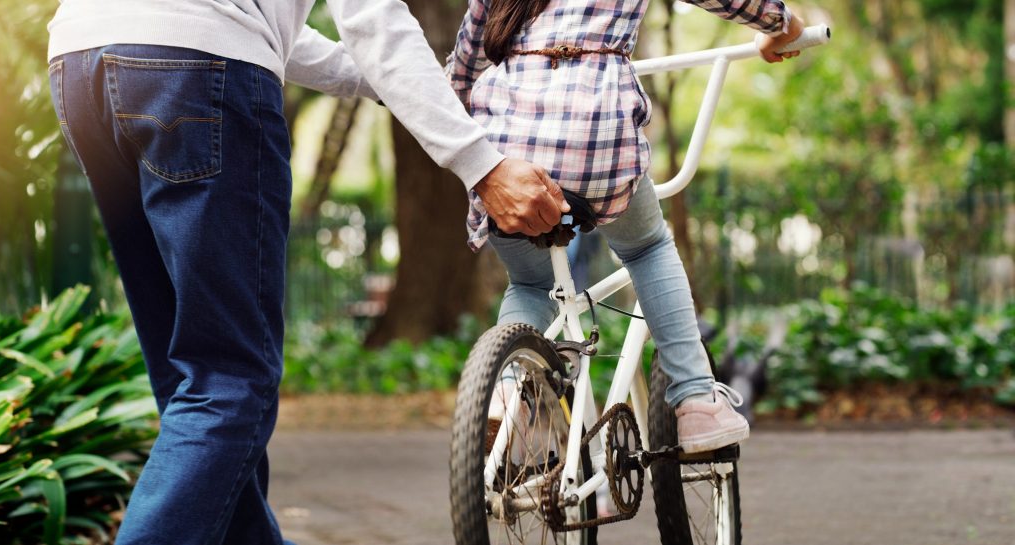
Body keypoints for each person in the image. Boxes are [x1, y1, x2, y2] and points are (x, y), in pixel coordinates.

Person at [46, 1, 571, 543]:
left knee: (191, 382)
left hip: (81, 60)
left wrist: (412, 86)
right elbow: (371, 19)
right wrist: (481, 164)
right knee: (230, 381)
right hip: (195, 73)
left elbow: (275, 33)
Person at [446, 0, 805, 453]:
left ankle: (501, 391)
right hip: (594, 140)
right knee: (647, 247)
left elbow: (462, 71)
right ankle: (695, 398)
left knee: (531, 284)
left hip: (507, 159)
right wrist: (782, 25)